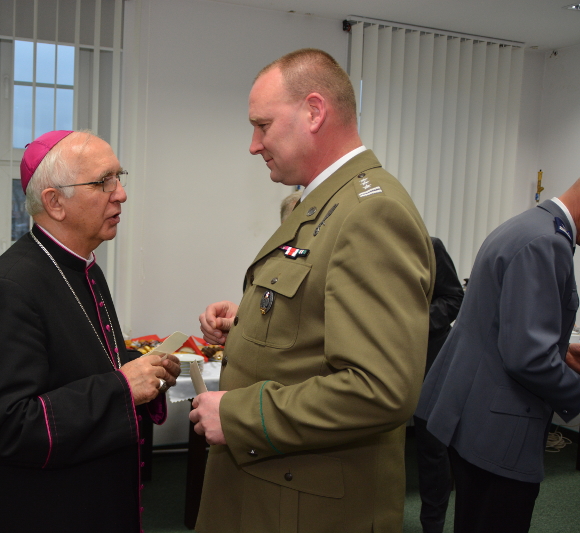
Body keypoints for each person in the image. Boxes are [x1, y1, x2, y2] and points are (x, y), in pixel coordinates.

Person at [189, 48, 435, 532]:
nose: (254, 145)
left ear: (315, 112)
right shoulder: (324, 201)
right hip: (275, 484)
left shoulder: (370, 213)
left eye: (263, 125)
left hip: (306, 503)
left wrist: (242, 417)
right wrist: (246, 324)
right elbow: (315, 315)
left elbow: (381, 388)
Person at [0, 130, 180, 533]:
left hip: (92, 494)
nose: (121, 194)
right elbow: (8, 425)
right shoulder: (8, 287)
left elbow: (82, 362)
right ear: (54, 202)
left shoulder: (84, 268)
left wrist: (147, 368)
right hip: (42, 507)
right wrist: (123, 387)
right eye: (103, 181)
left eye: (119, 177)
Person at [416, 184, 580, 533]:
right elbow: (529, 359)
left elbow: (499, 324)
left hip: (473, 419)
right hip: (501, 432)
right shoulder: (547, 242)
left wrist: (560, 351)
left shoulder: (526, 225)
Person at [414, 236, 464, 533]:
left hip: (429, 360)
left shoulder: (430, 247)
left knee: (431, 448)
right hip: (381, 361)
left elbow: (454, 298)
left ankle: (432, 525)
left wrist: (412, 323)